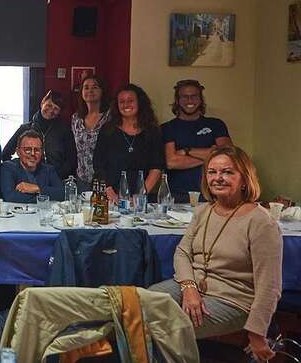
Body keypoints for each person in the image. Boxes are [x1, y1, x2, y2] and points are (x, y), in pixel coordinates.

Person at [149, 146, 281, 362]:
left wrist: (257, 333)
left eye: (228, 172)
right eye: (212, 172)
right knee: (139, 304)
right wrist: (189, 288)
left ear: (245, 179)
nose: (218, 178)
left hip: (231, 299)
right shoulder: (203, 211)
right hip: (191, 286)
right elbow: (182, 252)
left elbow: (270, 286)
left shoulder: (261, 222)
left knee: (164, 327)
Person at [162, 79, 232, 203]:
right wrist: (211, 154)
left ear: (200, 99)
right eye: (185, 97)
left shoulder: (216, 124)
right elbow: (171, 162)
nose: (190, 101)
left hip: (213, 194)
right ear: (177, 101)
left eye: (194, 96)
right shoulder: (167, 128)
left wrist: (185, 151)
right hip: (177, 196)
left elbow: (227, 154)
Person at [93, 84, 164, 202]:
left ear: (140, 103)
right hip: (110, 196)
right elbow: (98, 164)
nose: (126, 105)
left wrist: (140, 196)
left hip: (141, 198)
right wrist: (109, 192)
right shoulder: (107, 130)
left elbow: (156, 166)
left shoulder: (152, 131)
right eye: (121, 101)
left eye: (130, 101)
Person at [2, 90, 77, 179]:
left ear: (59, 112)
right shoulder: (25, 128)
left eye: (56, 108)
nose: (51, 110)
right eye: (49, 105)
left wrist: (56, 176)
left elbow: (71, 160)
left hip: (57, 182)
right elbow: (5, 154)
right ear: (42, 103)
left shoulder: (64, 131)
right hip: (29, 181)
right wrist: (20, 173)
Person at [0, 130, 63, 203]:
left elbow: (62, 193)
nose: (32, 154)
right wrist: (45, 196)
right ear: (18, 152)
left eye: (37, 150)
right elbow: (10, 197)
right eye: (27, 150)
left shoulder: (49, 169)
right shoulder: (8, 167)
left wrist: (38, 189)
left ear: (42, 152)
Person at [71, 75, 110, 189]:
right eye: (86, 87)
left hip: (105, 178)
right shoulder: (76, 118)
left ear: (102, 91)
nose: (90, 91)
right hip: (82, 178)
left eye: (95, 87)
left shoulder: (110, 117)